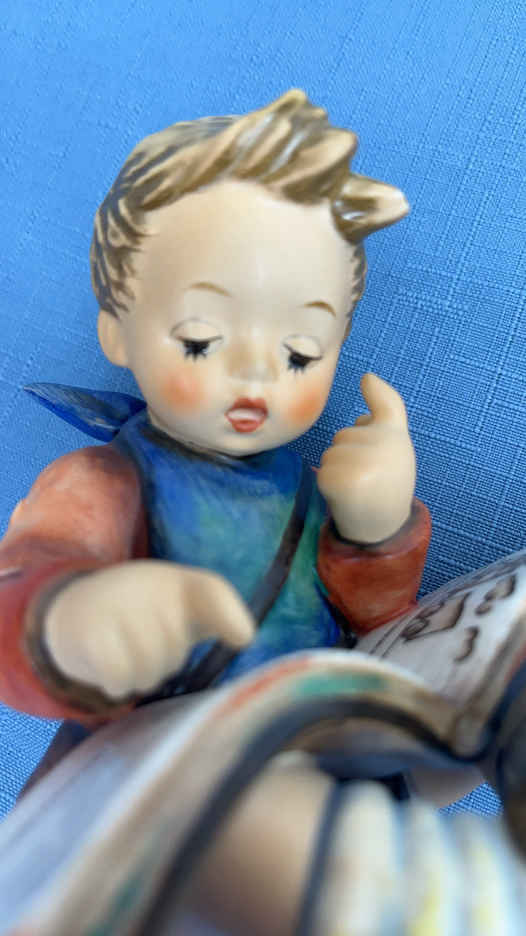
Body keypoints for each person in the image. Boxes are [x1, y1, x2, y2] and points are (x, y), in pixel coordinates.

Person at [0, 89, 430, 725]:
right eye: (200, 341)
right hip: (166, 762)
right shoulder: (103, 482)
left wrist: (377, 529)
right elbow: (25, 578)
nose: (257, 373)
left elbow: (382, 628)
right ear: (118, 332)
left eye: (301, 354)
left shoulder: (309, 492)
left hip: (318, 738)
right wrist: (72, 626)